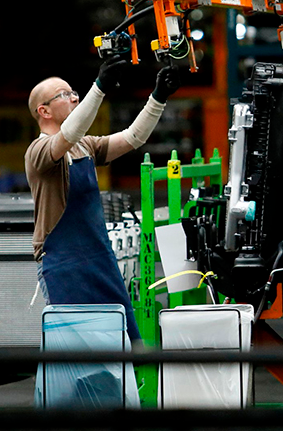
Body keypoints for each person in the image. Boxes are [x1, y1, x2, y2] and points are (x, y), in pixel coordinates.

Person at [26, 56, 181, 334]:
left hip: (99, 259)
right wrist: (98, 87)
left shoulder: (84, 145)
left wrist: (158, 97)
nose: (74, 98)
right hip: (64, 267)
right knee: (77, 361)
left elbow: (134, 137)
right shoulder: (38, 152)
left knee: (123, 346)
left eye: (75, 92)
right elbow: (70, 133)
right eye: (65, 95)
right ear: (44, 111)